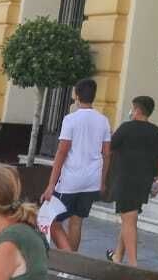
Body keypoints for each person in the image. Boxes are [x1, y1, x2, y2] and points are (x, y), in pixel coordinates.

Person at [38, 77, 110, 253]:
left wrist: (50, 185)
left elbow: (62, 152)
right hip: (92, 180)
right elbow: (107, 154)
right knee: (76, 221)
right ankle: (71, 263)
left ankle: (68, 257)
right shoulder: (103, 120)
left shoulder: (70, 119)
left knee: (48, 219)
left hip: (70, 181)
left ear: (77, 96)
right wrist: (102, 181)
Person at [106, 95, 158, 267]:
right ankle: (117, 256)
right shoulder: (156, 132)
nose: (131, 112)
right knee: (129, 218)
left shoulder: (126, 128)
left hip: (125, 181)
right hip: (144, 182)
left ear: (137, 110)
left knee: (129, 221)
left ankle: (133, 265)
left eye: (132, 109)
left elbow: (108, 149)